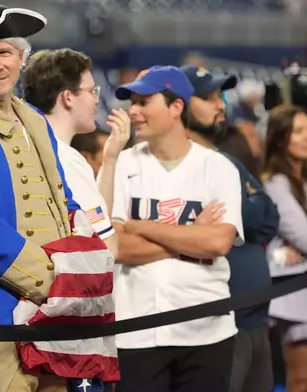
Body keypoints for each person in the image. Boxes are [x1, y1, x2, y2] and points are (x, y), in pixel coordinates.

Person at [0, 5, 116, 392]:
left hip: (58, 309)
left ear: (21, 58)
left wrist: (86, 261)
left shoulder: (34, 119)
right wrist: (57, 282)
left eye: (5, 53)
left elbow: (64, 203)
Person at [110, 65, 244, 392]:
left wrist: (140, 226)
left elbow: (217, 242)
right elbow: (118, 248)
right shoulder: (124, 162)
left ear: (176, 107)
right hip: (137, 328)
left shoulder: (218, 166)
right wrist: (188, 235)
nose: (134, 111)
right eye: (133, 103)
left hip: (207, 328)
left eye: (144, 102)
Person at [181, 65, 279, 392]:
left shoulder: (226, 161)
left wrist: (236, 215)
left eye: (219, 97)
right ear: (179, 104)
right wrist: (241, 214)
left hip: (254, 318)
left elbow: (267, 215)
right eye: (208, 98)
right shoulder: (177, 164)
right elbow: (246, 216)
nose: (221, 104)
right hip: (218, 323)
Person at [21, 48, 131, 258]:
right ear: (68, 98)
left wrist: (109, 160)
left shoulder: (23, 146)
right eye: (91, 91)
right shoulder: (65, 160)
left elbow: (96, 218)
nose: (96, 100)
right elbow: (107, 249)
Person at [261, 105, 307, 392]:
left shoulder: (302, 181)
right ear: (280, 138)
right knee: (301, 378)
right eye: (299, 132)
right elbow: (303, 236)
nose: (306, 138)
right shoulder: (276, 184)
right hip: (295, 296)